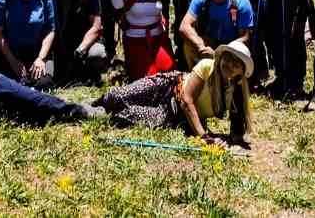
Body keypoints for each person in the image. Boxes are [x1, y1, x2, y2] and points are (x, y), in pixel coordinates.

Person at [97, 40, 253, 148]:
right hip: (167, 86)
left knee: (125, 115)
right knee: (119, 96)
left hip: (175, 115)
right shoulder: (207, 66)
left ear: (241, 72)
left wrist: (223, 141)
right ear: (222, 57)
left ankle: (93, 113)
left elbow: (236, 132)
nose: (231, 65)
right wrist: (204, 136)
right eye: (229, 58)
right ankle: (95, 103)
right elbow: (186, 100)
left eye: (237, 63)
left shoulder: (235, 94)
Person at [48, 0, 108, 83]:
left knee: (97, 54)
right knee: (52, 78)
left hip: (83, 41)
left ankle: (91, 74)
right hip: (60, 41)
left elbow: (96, 26)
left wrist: (81, 49)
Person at [180, 0, 254, 64]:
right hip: (209, 42)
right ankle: (197, 73)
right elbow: (184, 27)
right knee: (188, 44)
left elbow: (245, 38)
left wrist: (220, 52)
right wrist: (201, 46)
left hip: (232, 45)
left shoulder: (240, 3)